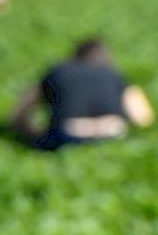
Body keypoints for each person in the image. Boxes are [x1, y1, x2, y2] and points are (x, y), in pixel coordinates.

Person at [10, 37, 154, 150]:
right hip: (113, 133)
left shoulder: (59, 71)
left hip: (68, 134)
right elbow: (144, 117)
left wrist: (33, 134)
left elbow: (19, 114)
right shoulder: (114, 75)